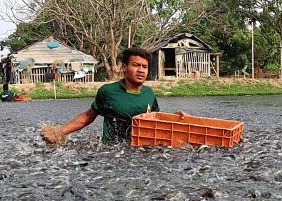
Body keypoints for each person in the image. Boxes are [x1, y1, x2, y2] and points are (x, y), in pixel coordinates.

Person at [41, 47, 179, 145]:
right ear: (124, 67)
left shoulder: (149, 93)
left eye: (145, 66)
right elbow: (88, 116)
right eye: (136, 65)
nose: (141, 70)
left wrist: (177, 118)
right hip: (112, 152)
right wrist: (59, 132)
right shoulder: (108, 91)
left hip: (141, 151)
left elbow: (158, 122)